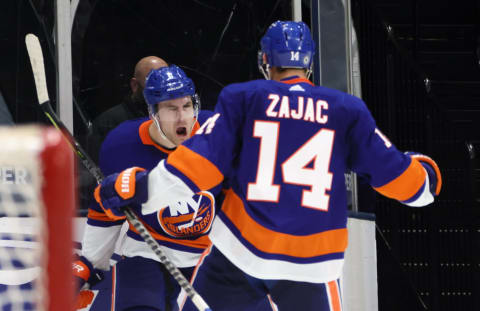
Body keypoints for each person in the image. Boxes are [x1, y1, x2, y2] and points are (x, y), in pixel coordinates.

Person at [94, 21, 442, 311]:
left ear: (265, 61)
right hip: (313, 260)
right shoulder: (346, 110)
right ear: (310, 64)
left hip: (241, 253)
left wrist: (139, 190)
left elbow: (191, 169)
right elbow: (402, 181)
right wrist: (425, 180)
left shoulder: (243, 99)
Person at [74, 65, 220, 311]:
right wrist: (90, 263)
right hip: (148, 251)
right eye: (171, 109)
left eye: (187, 106)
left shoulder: (216, 133)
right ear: (153, 112)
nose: (183, 117)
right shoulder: (122, 144)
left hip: (209, 255)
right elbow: (105, 209)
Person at [86, 56, 168, 163]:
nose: (161, 90)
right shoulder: (107, 125)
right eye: (153, 83)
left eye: (166, 83)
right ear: (135, 85)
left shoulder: (178, 120)